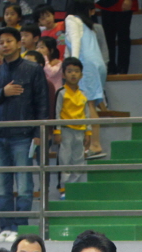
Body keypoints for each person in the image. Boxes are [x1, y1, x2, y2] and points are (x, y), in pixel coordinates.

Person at [0, 26, 48, 243]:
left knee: (25, 186)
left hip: (24, 135)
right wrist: (3, 92)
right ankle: (6, 227)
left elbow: (42, 104)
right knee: (2, 187)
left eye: (9, 41)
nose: (5, 45)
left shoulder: (33, 69)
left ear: (19, 43)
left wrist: (39, 132)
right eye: (1, 42)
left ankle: (21, 227)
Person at [64, 0, 107, 160]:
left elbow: (75, 42)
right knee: (88, 104)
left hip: (86, 65)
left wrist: (73, 64)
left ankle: (94, 145)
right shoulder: (88, 24)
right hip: (98, 65)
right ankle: (89, 144)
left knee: (88, 105)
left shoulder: (71, 19)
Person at [54, 57, 89, 198]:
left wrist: (89, 133)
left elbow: (87, 115)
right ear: (63, 74)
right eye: (69, 71)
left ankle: (73, 188)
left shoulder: (83, 95)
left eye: (76, 71)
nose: (73, 74)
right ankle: (63, 190)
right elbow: (56, 112)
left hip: (80, 131)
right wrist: (57, 131)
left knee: (79, 161)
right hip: (66, 130)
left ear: (81, 75)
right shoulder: (61, 93)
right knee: (64, 160)